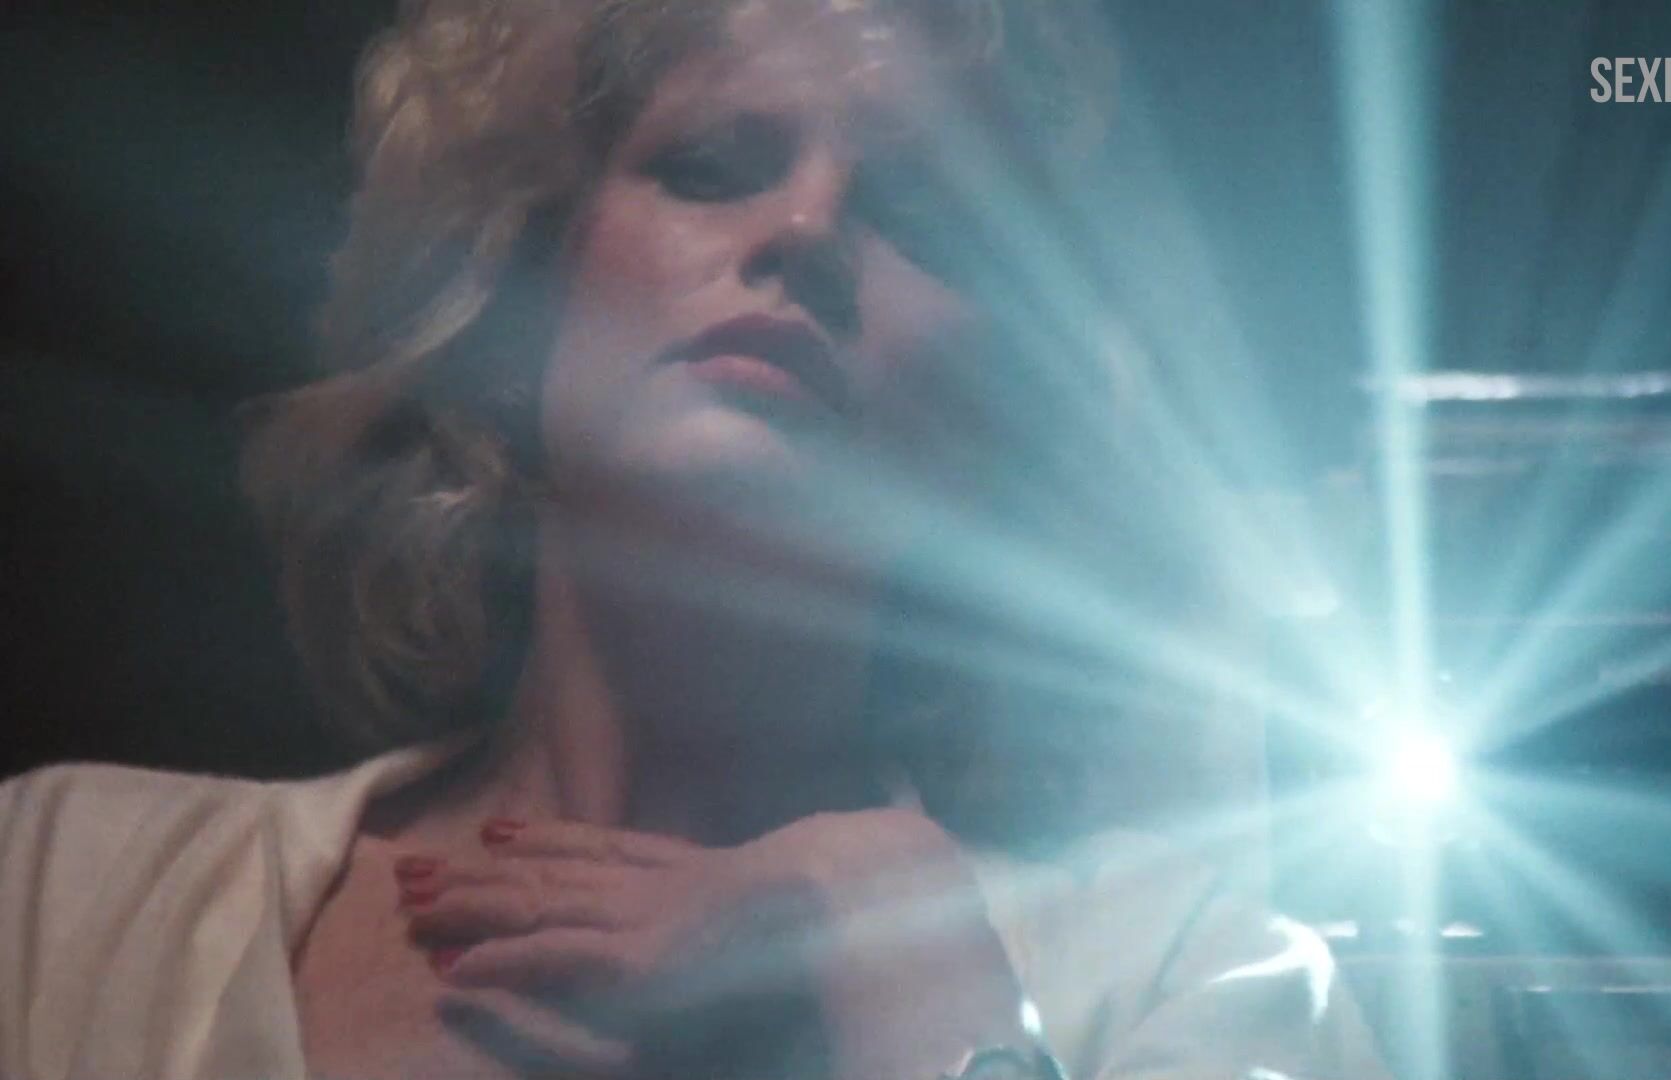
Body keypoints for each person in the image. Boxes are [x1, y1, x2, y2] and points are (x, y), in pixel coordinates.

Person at [0, 1, 1390, 1077]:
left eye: (915, 213)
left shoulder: (1200, 979)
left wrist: (936, 1003)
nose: (809, 226)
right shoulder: (60, 887)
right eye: (712, 164)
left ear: (1001, 419)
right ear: (513, 306)